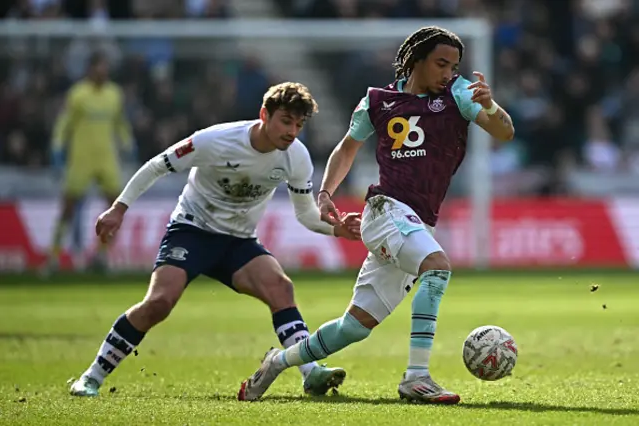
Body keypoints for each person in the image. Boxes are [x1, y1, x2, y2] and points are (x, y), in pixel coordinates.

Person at [238, 26, 515, 404]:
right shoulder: (377, 101)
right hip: (385, 210)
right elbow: (347, 148)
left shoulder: (460, 93)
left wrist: (489, 106)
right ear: (417, 60)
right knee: (436, 267)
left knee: (354, 328)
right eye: (441, 63)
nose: (449, 72)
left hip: (417, 222)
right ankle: (416, 377)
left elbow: (505, 132)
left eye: (454, 65)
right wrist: (325, 193)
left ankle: (277, 362)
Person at [69, 82, 361, 397]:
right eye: (286, 121)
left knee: (281, 288)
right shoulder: (216, 140)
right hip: (192, 231)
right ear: (264, 114)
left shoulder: (296, 157)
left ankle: (311, 373)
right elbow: (158, 165)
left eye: (299, 125)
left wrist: (337, 229)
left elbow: (304, 214)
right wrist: (118, 208)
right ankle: (91, 376)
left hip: (238, 241)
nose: (292, 131)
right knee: (159, 303)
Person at [45, 51, 135, 273]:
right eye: (99, 68)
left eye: (105, 68)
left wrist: (128, 143)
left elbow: (120, 123)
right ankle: (53, 256)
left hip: (106, 158)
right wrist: (57, 146)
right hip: (81, 158)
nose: (102, 72)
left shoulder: (114, 94)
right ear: (90, 70)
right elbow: (64, 123)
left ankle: (101, 255)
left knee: (116, 206)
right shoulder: (78, 94)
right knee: (68, 207)